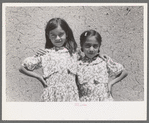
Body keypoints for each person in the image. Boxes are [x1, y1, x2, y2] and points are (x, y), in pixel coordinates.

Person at [19, 18, 79, 102]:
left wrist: (103, 56)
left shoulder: (74, 53)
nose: (57, 38)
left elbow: (88, 61)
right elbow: (22, 68)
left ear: (67, 34)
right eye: (53, 35)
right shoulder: (46, 54)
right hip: (51, 97)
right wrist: (39, 77)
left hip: (71, 96)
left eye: (61, 34)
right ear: (48, 35)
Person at [76, 29, 128, 101]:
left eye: (95, 46)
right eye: (87, 46)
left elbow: (124, 72)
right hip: (86, 103)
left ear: (99, 47)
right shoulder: (78, 65)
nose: (91, 49)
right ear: (82, 46)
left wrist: (111, 83)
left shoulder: (104, 61)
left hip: (105, 101)